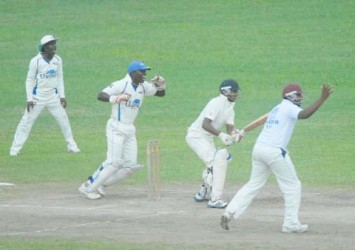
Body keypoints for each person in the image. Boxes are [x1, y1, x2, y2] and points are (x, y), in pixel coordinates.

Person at [220, 83, 333, 233]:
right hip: (273, 152)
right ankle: (290, 223)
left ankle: (229, 212)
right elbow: (304, 115)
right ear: (290, 95)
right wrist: (322, 99)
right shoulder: (288, 107)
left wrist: (243, 130)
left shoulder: (277, 108)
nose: (301, 97)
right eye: (298, 94)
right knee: (293, 186)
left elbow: (261, 120)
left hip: (259, 150)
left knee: (254, 184)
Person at [79, 60, 166, 199]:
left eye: (145, 71)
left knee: (130, 166)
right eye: (141, 71)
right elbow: (100, 95)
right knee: (113, 162)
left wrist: (161, 85)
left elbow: (160, 94)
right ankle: (88, 188)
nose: (144, 74)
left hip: (130, 129)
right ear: (132, 73)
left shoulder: (143, 86)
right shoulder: (121, 84)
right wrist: (116, 98)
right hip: (116, 127)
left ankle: (100, 183)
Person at [10, 35, 80, 156]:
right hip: (38, 97)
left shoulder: (58, 60)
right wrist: (29, 98)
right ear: (44, 47)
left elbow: (59, 77)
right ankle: (15, 149)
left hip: (53, 97)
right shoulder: (35, 61)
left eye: (54, 43)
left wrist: (62, 96)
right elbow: (30, 80)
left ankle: (72, 146)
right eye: (51, 44)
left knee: (64, 120)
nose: (54, 46)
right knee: (26, 122)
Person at [186, 79, 244, 209]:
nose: (236, 94)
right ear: (226, 91)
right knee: (216, 163)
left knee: (224, 160)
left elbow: (230, 127)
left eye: (236, 92)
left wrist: (235, 134)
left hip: (207, 138)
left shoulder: (230, 107)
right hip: (196, 136)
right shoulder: (216, 103)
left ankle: (204, 191)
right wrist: (222, 135)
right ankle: (214, 199)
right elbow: (205, 124)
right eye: (234, 91)